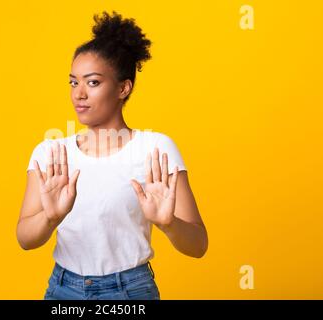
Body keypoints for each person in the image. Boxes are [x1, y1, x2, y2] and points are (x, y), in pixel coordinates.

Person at [16, 10, 208, 300]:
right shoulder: (52, 154)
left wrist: (168, 223)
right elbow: (25, 239)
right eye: (73, 82)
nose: (79, 94)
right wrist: (51, 218)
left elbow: (198, 245)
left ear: (122, 88)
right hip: (63, 290)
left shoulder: (155, 150)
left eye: (92, 83)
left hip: (130, 291)